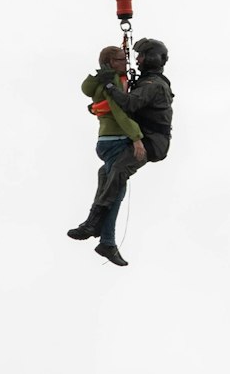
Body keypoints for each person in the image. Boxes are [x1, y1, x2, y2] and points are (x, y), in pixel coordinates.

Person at [65, 38, 174, 266]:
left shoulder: (153, 84)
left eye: (140, 56)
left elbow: (128, 104)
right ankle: (106, 241)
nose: (136, 60)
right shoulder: (146, 81)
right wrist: (100, 102)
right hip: (144, 137)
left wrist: (109, 87)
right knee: (106, 175)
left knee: (118, 170)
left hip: (152, 142)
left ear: (151, 58)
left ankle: (94, 221)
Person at [65, 46, 144, 265]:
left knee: (113, 189)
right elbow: (118, 110)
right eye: (121, 59)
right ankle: (102, 236)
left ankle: (103, 236)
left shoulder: (106, 79)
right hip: (117, 140)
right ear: (110, 62)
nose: (126, 63)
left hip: (106, 141)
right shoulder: (113, 82)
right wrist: (136, 137)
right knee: (114, 192)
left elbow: (87, 88)